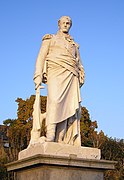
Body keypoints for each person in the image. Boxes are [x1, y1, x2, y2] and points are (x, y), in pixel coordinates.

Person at [33, 16, 85, 146]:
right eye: (64, 23)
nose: (66, 25)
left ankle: (60, 137)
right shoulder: (50, 39)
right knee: (55, 101)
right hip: (55, 72)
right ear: (59, 24)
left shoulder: (74, 45)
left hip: (71, 75)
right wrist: (38, 75)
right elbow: (41, 57)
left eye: (68, 23)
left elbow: (79, 62)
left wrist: (82, 73)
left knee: (68, 107)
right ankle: (50, 134)